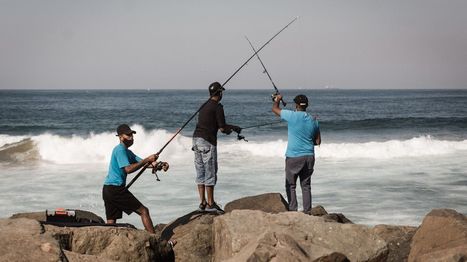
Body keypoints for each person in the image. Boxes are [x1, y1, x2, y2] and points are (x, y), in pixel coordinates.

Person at [102, 124, 170, 235]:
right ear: (120, 137)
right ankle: (156, 241)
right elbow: (128, 169)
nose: (131, 137)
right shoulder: (120, 150)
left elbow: (145, 163)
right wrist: (147, 159)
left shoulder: (127, 152)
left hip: (107, 189)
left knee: (111, 222)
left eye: (132, 135)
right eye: (128, 135)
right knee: (144, 211)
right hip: (115, 189)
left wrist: (159, 165)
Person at [192, 82, 241, 213]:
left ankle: (202, 203)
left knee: (200, 172)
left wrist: (233, 127)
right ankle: (211, 203)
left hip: (196, 140)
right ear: (219, 93)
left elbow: (215, 123)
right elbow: (222, 128)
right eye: (221, 92)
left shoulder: (204, 105)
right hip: (208, 142)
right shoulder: (218, 107)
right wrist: (231, 129)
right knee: (210, 171)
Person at [272, 94, 321, 213]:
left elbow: (275, 109)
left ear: (296, 105)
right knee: (306, 186)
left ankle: (293, 211)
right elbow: (318, 141)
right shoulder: (314, 120)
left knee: (291, 185)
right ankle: (307, 212)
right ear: (307, 105)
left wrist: (277, 100)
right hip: (309, 156)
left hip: (293, 156)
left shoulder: (291, 115)